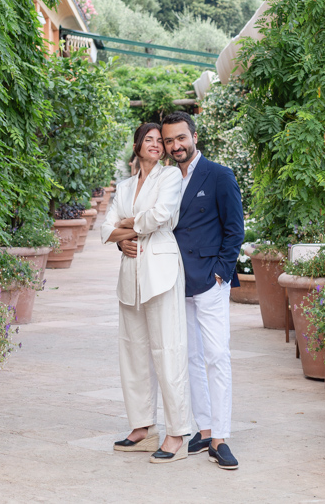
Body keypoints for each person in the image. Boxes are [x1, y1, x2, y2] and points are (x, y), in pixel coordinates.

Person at [121, 111, 245, 470]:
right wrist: (122, 244)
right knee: (188, 358)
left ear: (194, 136)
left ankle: (221, 437)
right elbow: (148, 222)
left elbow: (235, 230)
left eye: (180, 138)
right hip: (174, 283)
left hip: (208, 281)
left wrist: (221, 273)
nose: (175, 146)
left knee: (216, 357)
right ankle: (203, 429)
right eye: (169, 140)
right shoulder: (166, 178)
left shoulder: (219, 175)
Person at [100, 122, 192, 464]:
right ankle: (142, 427)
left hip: (162, 272)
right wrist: (120, 237)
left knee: (168, 350)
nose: (156, 145)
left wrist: (125, 227)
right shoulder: (124, 186)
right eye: (149, 140)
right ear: (137, 145)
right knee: (133, 352)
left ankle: (177, 433)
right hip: (130, 276)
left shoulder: (169, 177)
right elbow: (104, 227)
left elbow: (161, 215)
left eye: (160, 141)